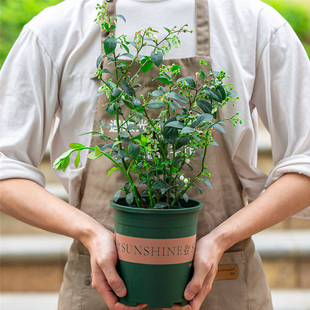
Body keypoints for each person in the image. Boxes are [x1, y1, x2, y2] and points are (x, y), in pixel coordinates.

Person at [1, 0, 310, 309]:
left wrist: (219, 240)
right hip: (101, 289)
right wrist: (91, 234)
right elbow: (5, 167)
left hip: (225, 287)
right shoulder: (57, 28)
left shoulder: (252, 23)